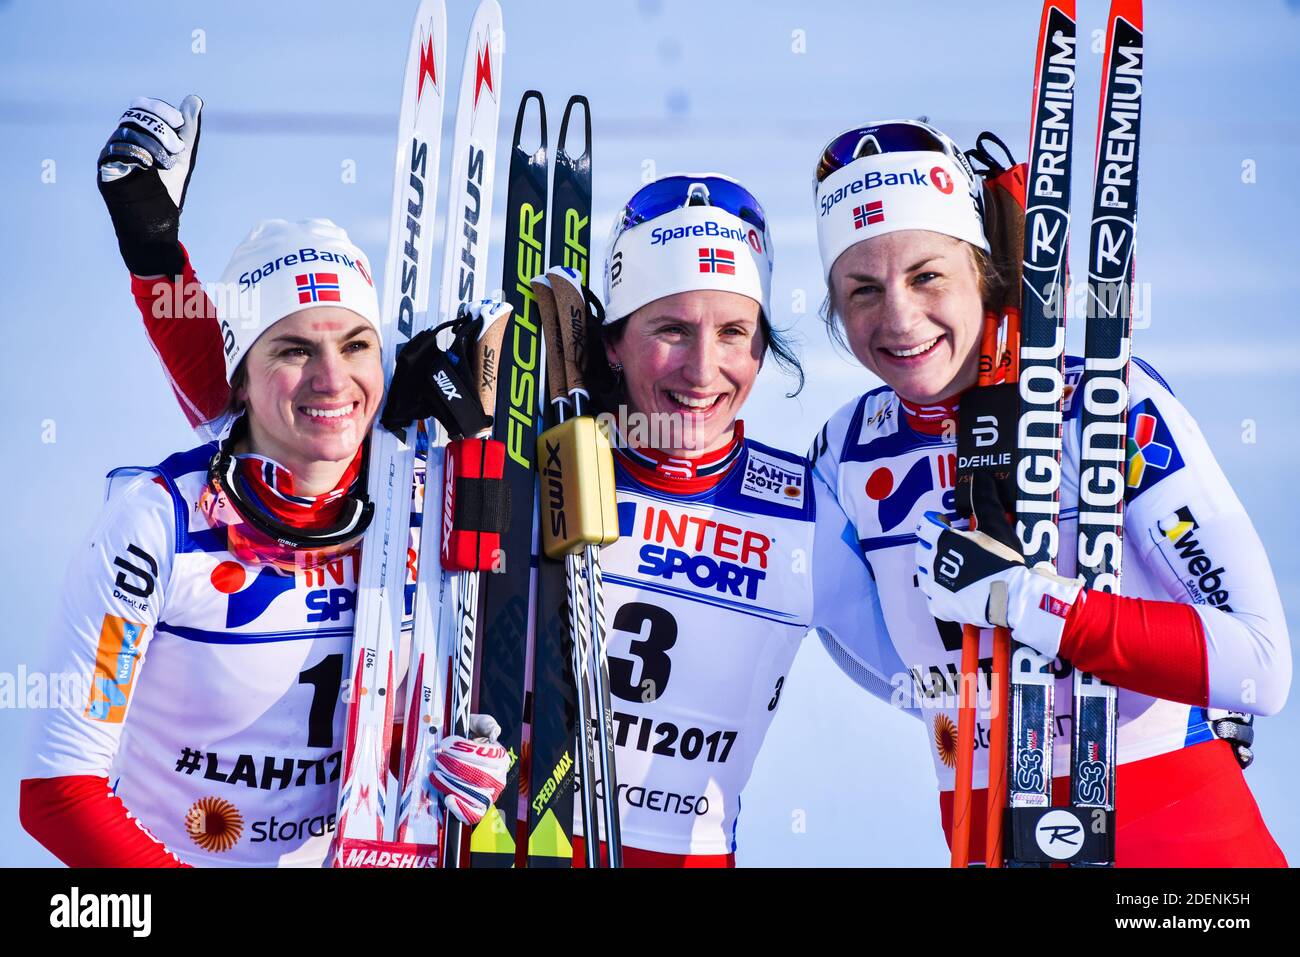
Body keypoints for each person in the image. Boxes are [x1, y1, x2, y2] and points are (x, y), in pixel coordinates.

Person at [91, 97, 899, 866]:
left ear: (763, 347)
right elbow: (253, 419)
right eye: (670, 329)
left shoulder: (801, 510)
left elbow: (922, 673)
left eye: (735, 332)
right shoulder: (533, 460)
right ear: (613, 343)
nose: (704, 367)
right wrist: (154, 252)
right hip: (503, 848)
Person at [18, 98, 508, 867]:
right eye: (290, 349)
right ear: (239, 376)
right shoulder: (154, 530)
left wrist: (475, 762)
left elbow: (504, 681)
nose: (332, 378)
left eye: (356, 344)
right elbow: (59, 792)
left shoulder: (422, 508)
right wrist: (155, 259)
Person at [809, 118, 1291, 866]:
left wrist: (1029, 603)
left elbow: (1261, 661)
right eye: (862, 289)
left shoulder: (1104, 402)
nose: (898, 319)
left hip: (1184, 847)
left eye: (927, 274)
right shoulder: (843, 453)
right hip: (987, 835)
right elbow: (881, 657)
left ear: (982, 270)